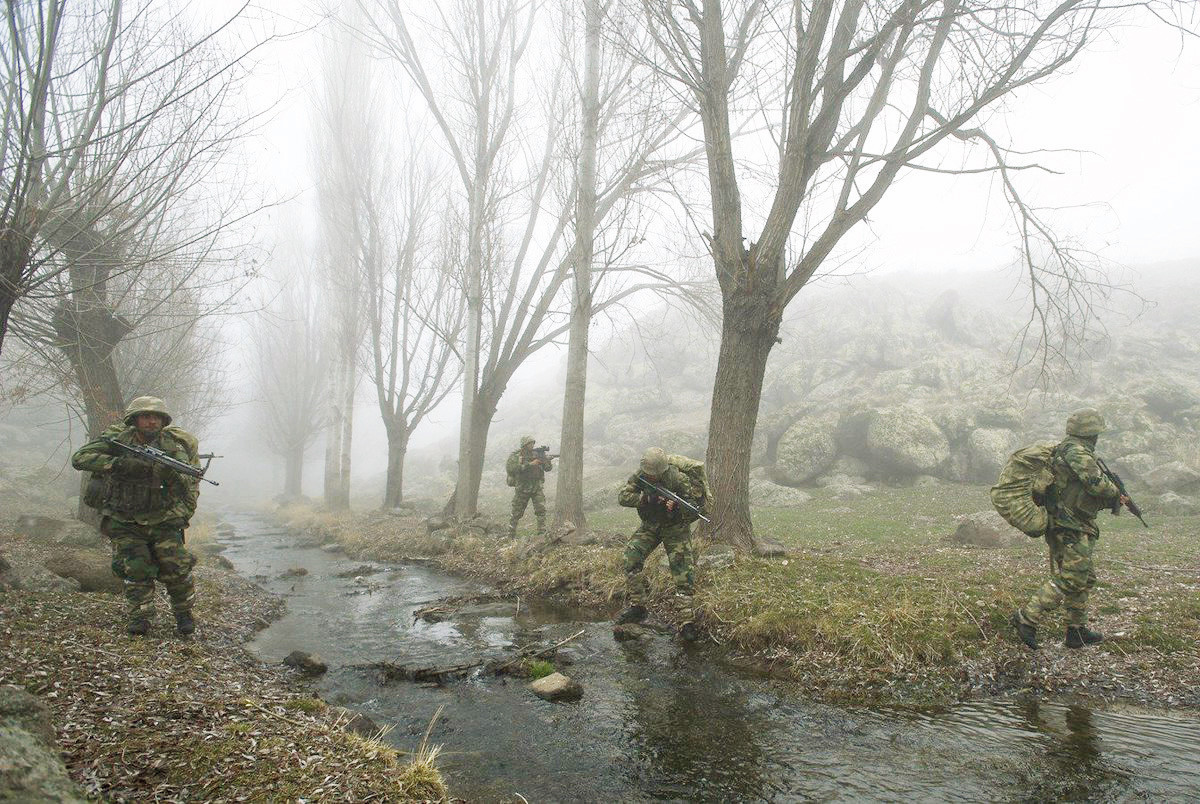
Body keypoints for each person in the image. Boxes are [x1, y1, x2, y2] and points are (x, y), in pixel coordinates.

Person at [72, 396, 202, 636]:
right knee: (136, 571)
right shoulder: (117, 440)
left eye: (157, 417)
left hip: (164, 518)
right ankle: (140, 617)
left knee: (176, 570)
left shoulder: (172, 445)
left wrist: (168, 473)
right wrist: (120, 464)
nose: (152, 422)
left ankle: (183, 614)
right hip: (125, 518)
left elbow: (187, 482)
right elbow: (80, 459)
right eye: (146, 416)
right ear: (134, 419)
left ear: (163, 421)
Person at [1011, 408, 1128, 650]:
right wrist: (1116, 492)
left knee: (1085, 577)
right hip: (1067, 523)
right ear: (1091, 433)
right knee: (1074, 576)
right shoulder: (1076, 451)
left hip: (1073, 522)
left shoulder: (1071, 449)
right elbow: (1096, 485)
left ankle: (1076, 630)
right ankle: (1027, 616)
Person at [615, 447, 710, 638]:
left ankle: (686, 622)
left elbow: (693, 510)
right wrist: (646, 498)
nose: (650, 477)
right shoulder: (640, 474)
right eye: (648, 474)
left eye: (654, 475)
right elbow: (623, 497)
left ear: (662, 471)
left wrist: (675, 507)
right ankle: (638, 606)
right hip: (651, 525)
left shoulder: (678, 479)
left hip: (675, 528)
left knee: (683, 573)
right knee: (630, 558)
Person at [507, 435, 552, 538]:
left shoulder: (538, 454)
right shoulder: (516, 456)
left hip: (537, 487)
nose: (532, 445)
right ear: (524, 445)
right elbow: (511, 469)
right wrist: (530, 464)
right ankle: (511, 534)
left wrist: (546, 460)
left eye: (533, 443)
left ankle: (542, 533)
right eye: (530, 443)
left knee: (541, 510)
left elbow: (548, 468)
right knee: (516, 512)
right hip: (522, 488)